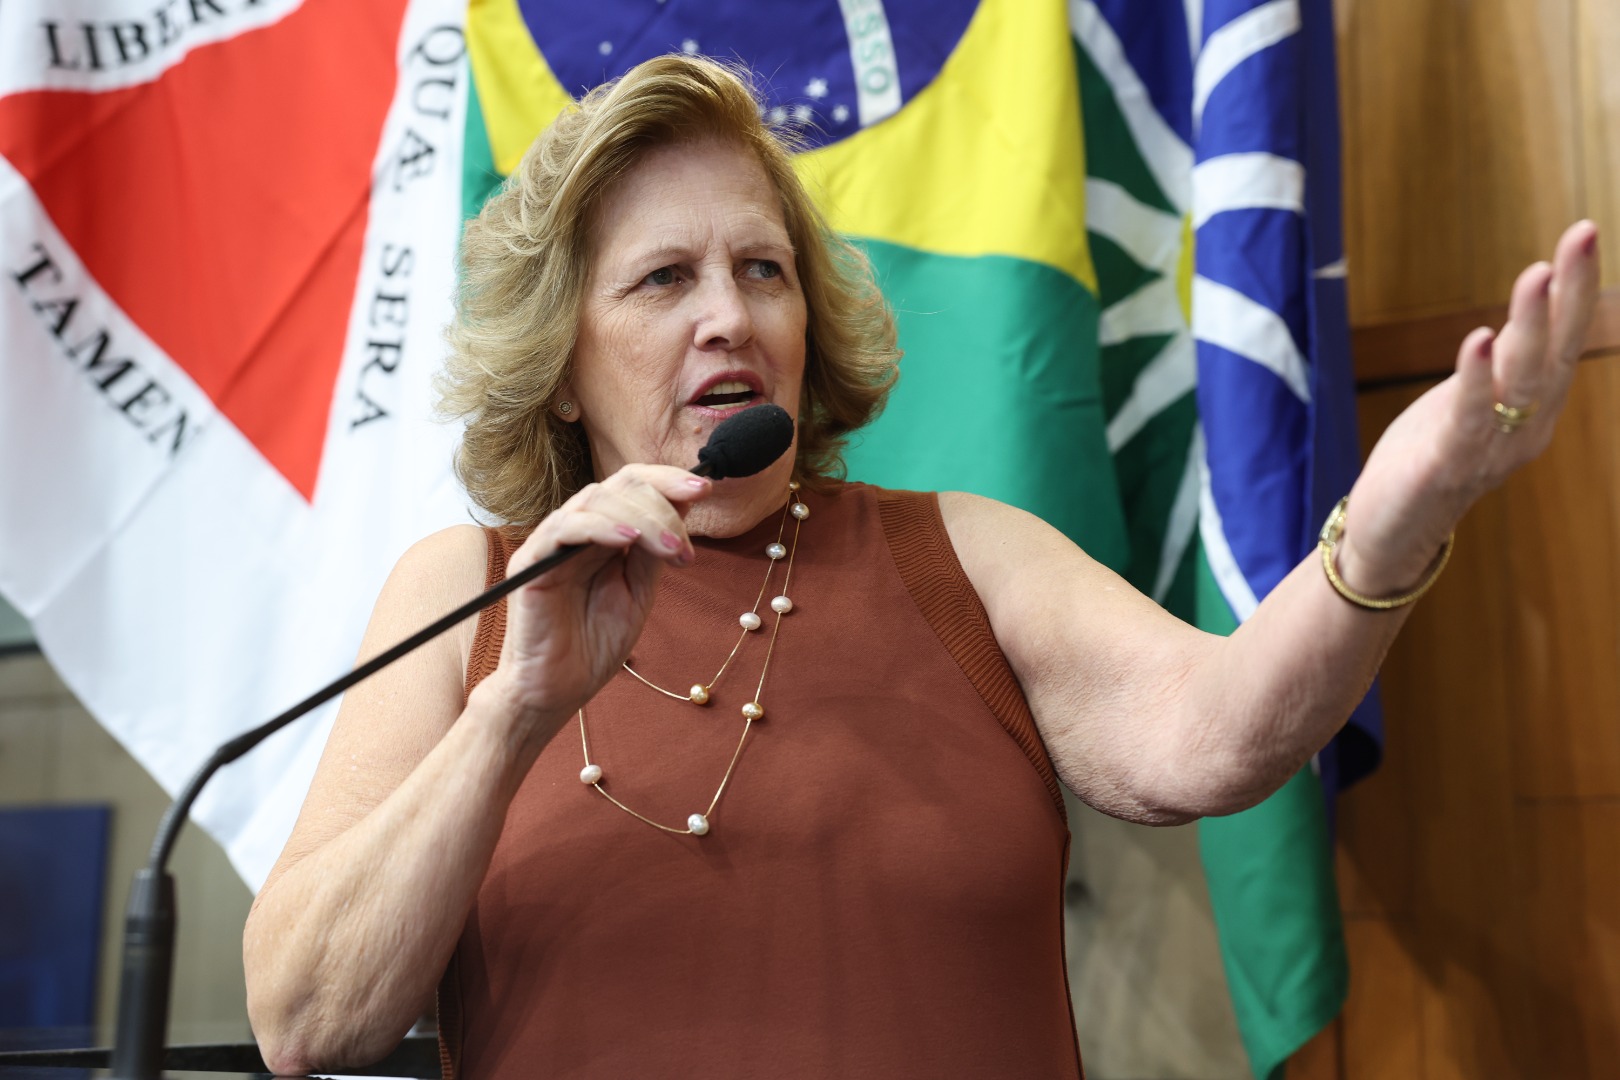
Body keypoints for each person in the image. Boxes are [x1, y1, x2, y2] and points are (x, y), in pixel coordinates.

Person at [242, 55, 1602, 1079]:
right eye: (664, 280)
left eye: (762, 270)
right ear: (559, 365)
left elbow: (1223, 733)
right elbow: (306, 1020)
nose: (730, 317)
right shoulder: (466, 594)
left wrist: (1401, 512)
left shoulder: (961, 553)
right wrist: (511, 716)